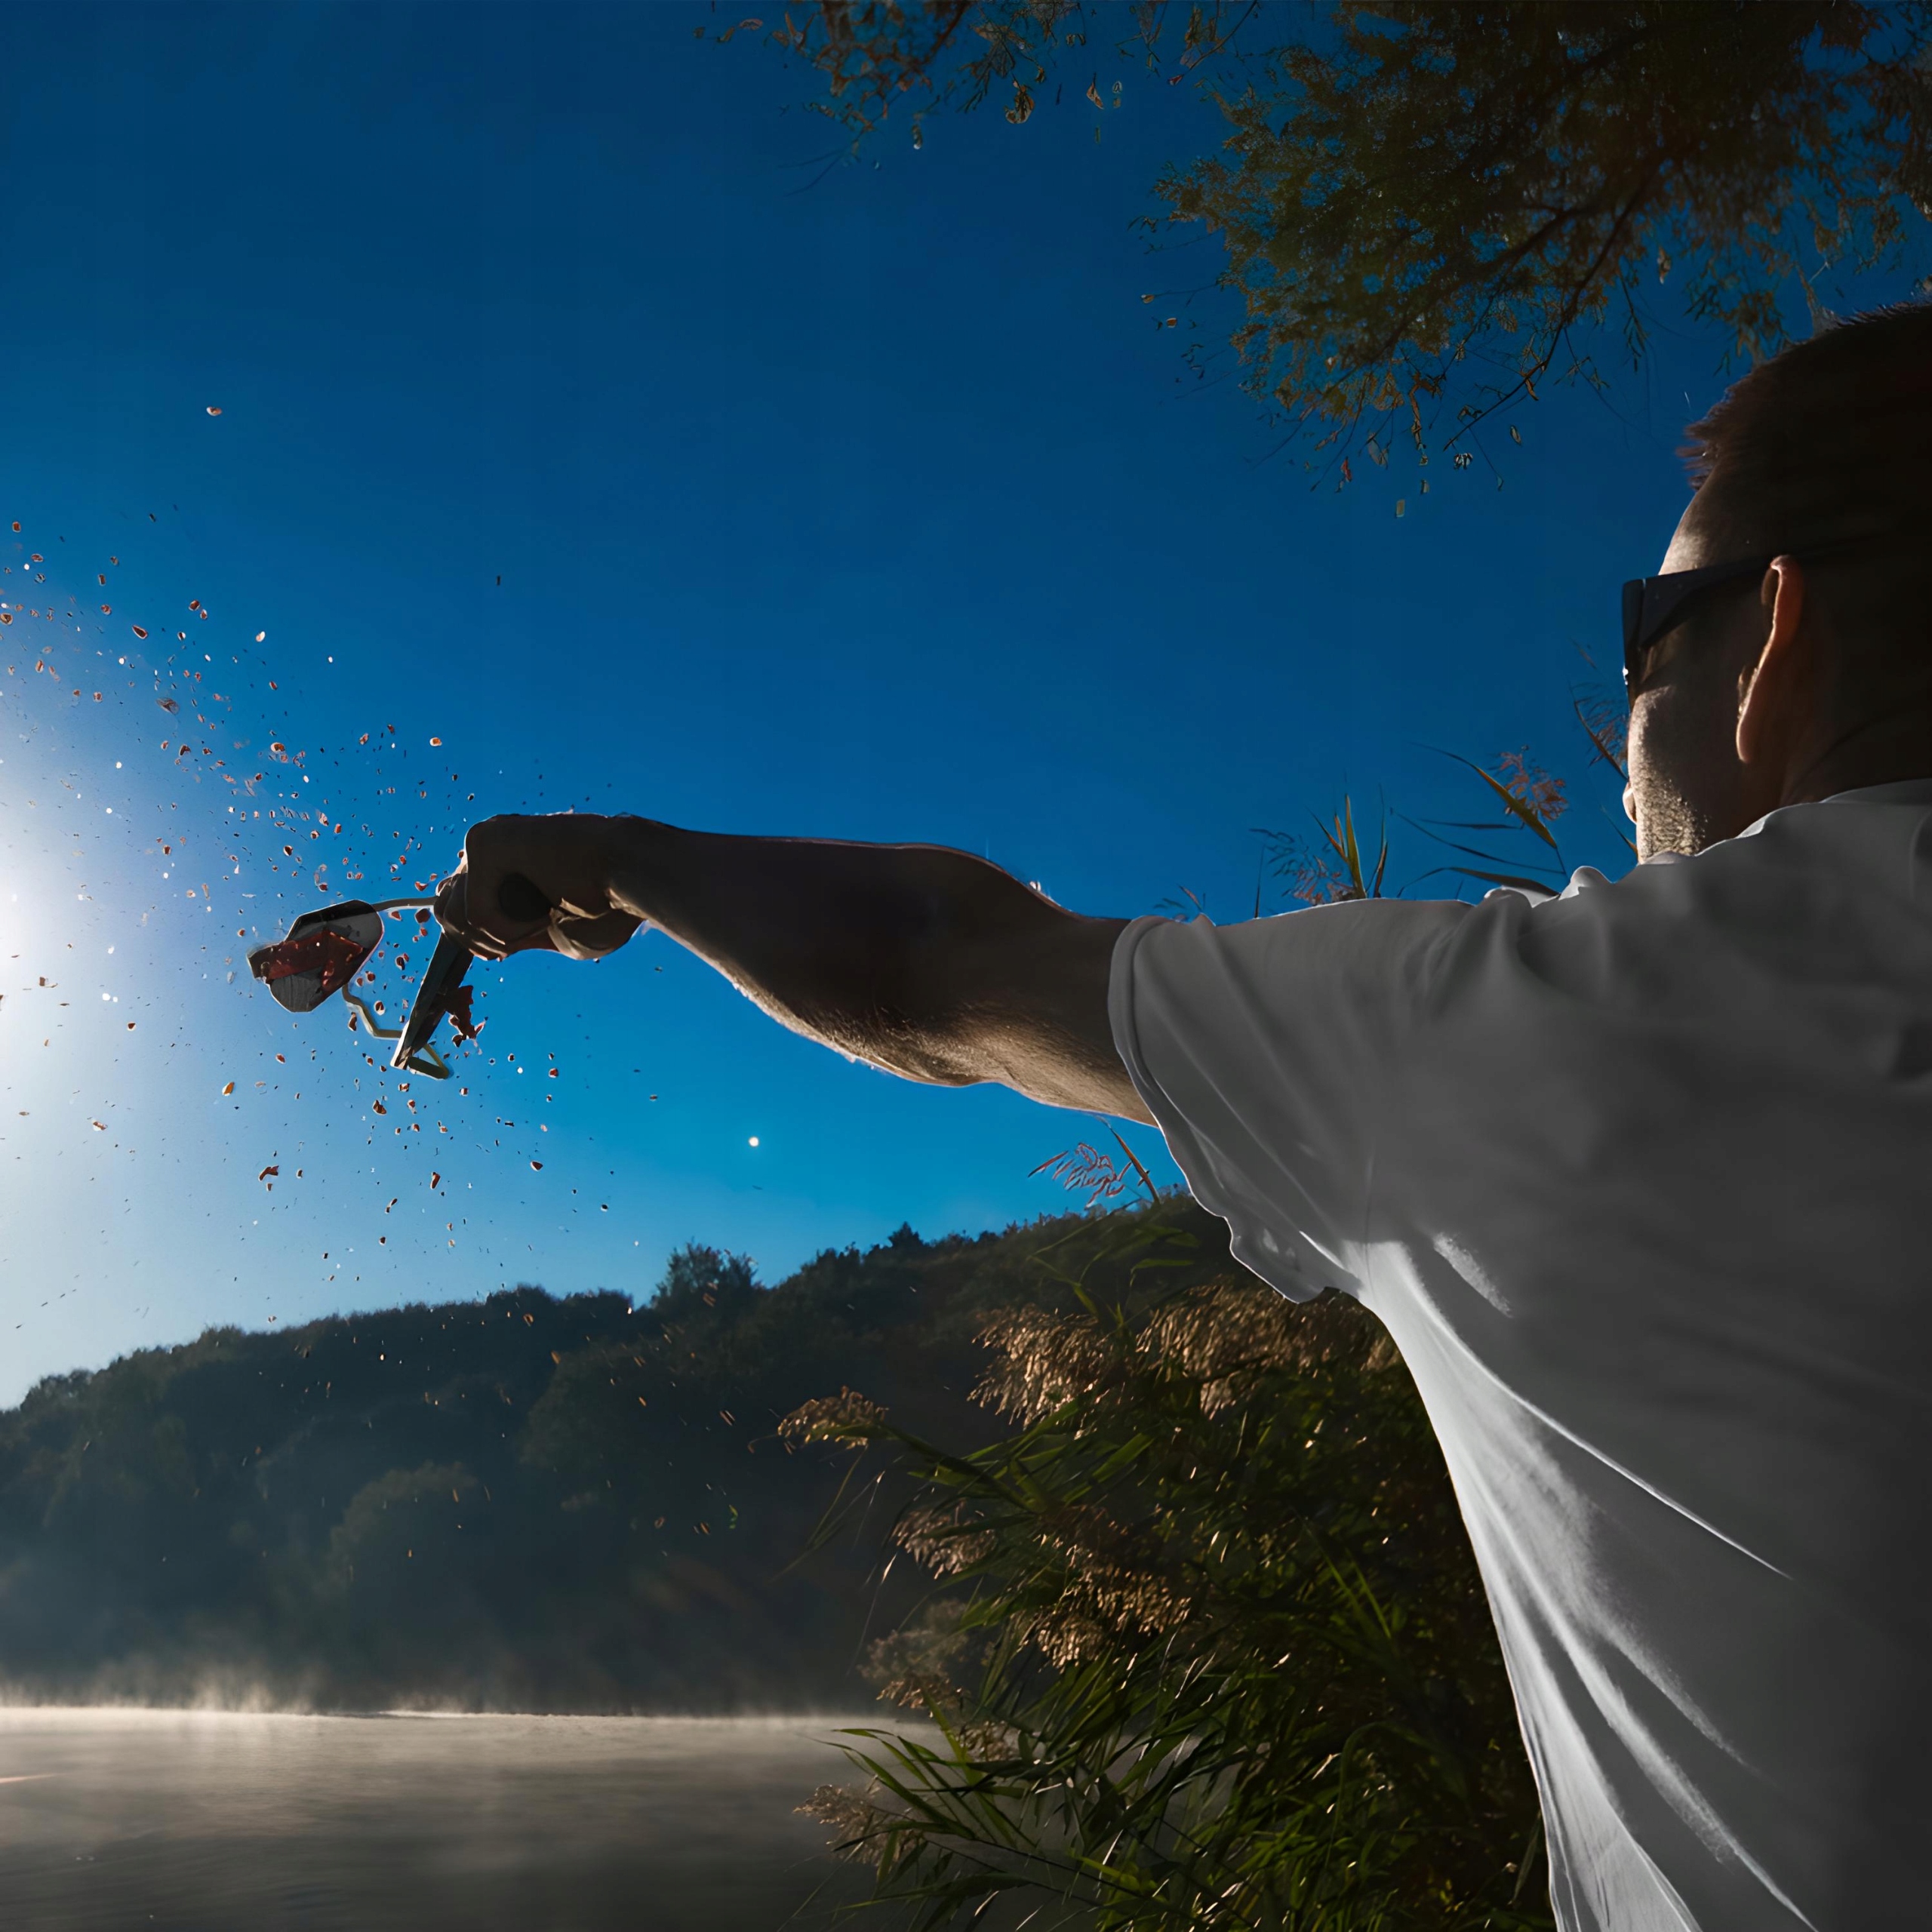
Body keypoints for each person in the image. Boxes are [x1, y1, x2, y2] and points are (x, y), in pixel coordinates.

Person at [435, 303, 1932, 1932]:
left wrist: (609, 858)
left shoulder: (1562, 1021)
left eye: (1649, 633)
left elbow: (940, 962)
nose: (1623, 716)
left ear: (1773, 634)